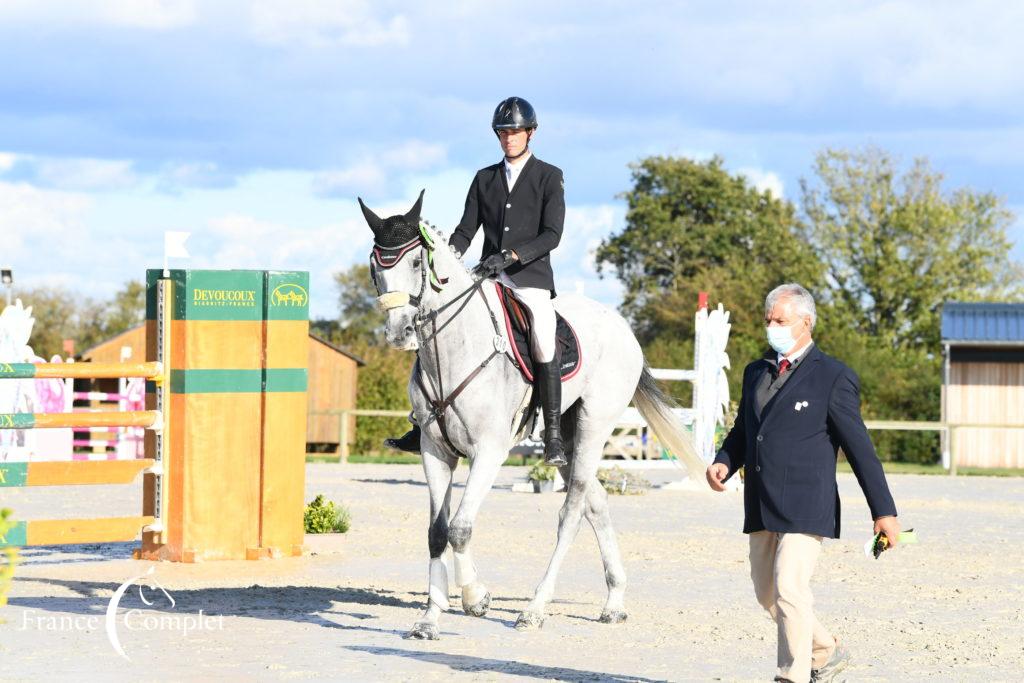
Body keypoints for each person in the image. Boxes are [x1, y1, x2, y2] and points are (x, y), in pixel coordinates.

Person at [706, 283, 901, 683]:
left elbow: (861, 449)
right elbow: (744, 431)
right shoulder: (755, 371)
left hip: (807, 504)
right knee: (767, 594)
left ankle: (792, 675)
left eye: (781, 320)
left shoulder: (833, 377)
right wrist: (724, 461)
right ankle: (827, 649)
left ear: (806, 322)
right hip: (760, 502)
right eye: (768, 320)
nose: (771, 326)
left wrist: (884, 512)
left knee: (790, 587)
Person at [386, 96, 568, 466]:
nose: (508, 138)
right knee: (441, 327)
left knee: (544, 337)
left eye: (515, 132)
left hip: (529, 279)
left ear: (530, 133)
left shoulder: (549, 176)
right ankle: (424, 423)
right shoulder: (484, 178)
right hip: (487, 276)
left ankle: (551, 435)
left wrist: (514, 256)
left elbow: (552, 234)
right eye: (503, 133)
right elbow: (466, 231)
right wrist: (447, 260)